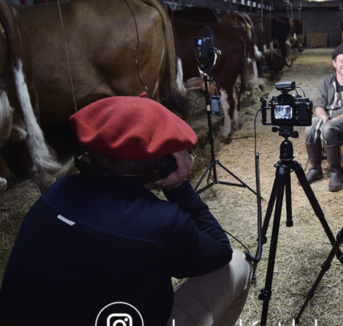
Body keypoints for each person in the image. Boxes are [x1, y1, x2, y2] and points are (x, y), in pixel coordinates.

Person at [0, 96, 253, 326]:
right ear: (163, 165)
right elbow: (220, 252)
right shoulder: (163, 222)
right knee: (239, 265)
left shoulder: (56, 192)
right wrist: (178, 186)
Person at [304, 44, 343, 192]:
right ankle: (316, 169)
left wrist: (334, 120)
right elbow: (318, 105)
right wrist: (323, 116)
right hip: (329, 120)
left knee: (327, 128)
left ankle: (335, 172)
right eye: (341, 61)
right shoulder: (326, 81)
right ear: (334, 63)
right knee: (310, 124)